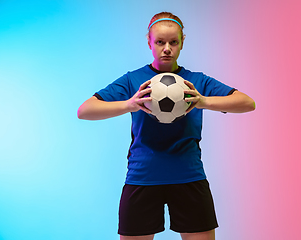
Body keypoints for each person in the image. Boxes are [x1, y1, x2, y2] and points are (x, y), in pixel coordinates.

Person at [78, 12, 255, 240]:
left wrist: (203, 101)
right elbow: (85, 111)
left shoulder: (196, 81)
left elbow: (247, 103)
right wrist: (130, 104)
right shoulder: (134, 80)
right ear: (149, 42)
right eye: (160, 42)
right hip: (142, 177)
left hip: (189, 176)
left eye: (174, 42)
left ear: (182, 43)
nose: (167, 48)